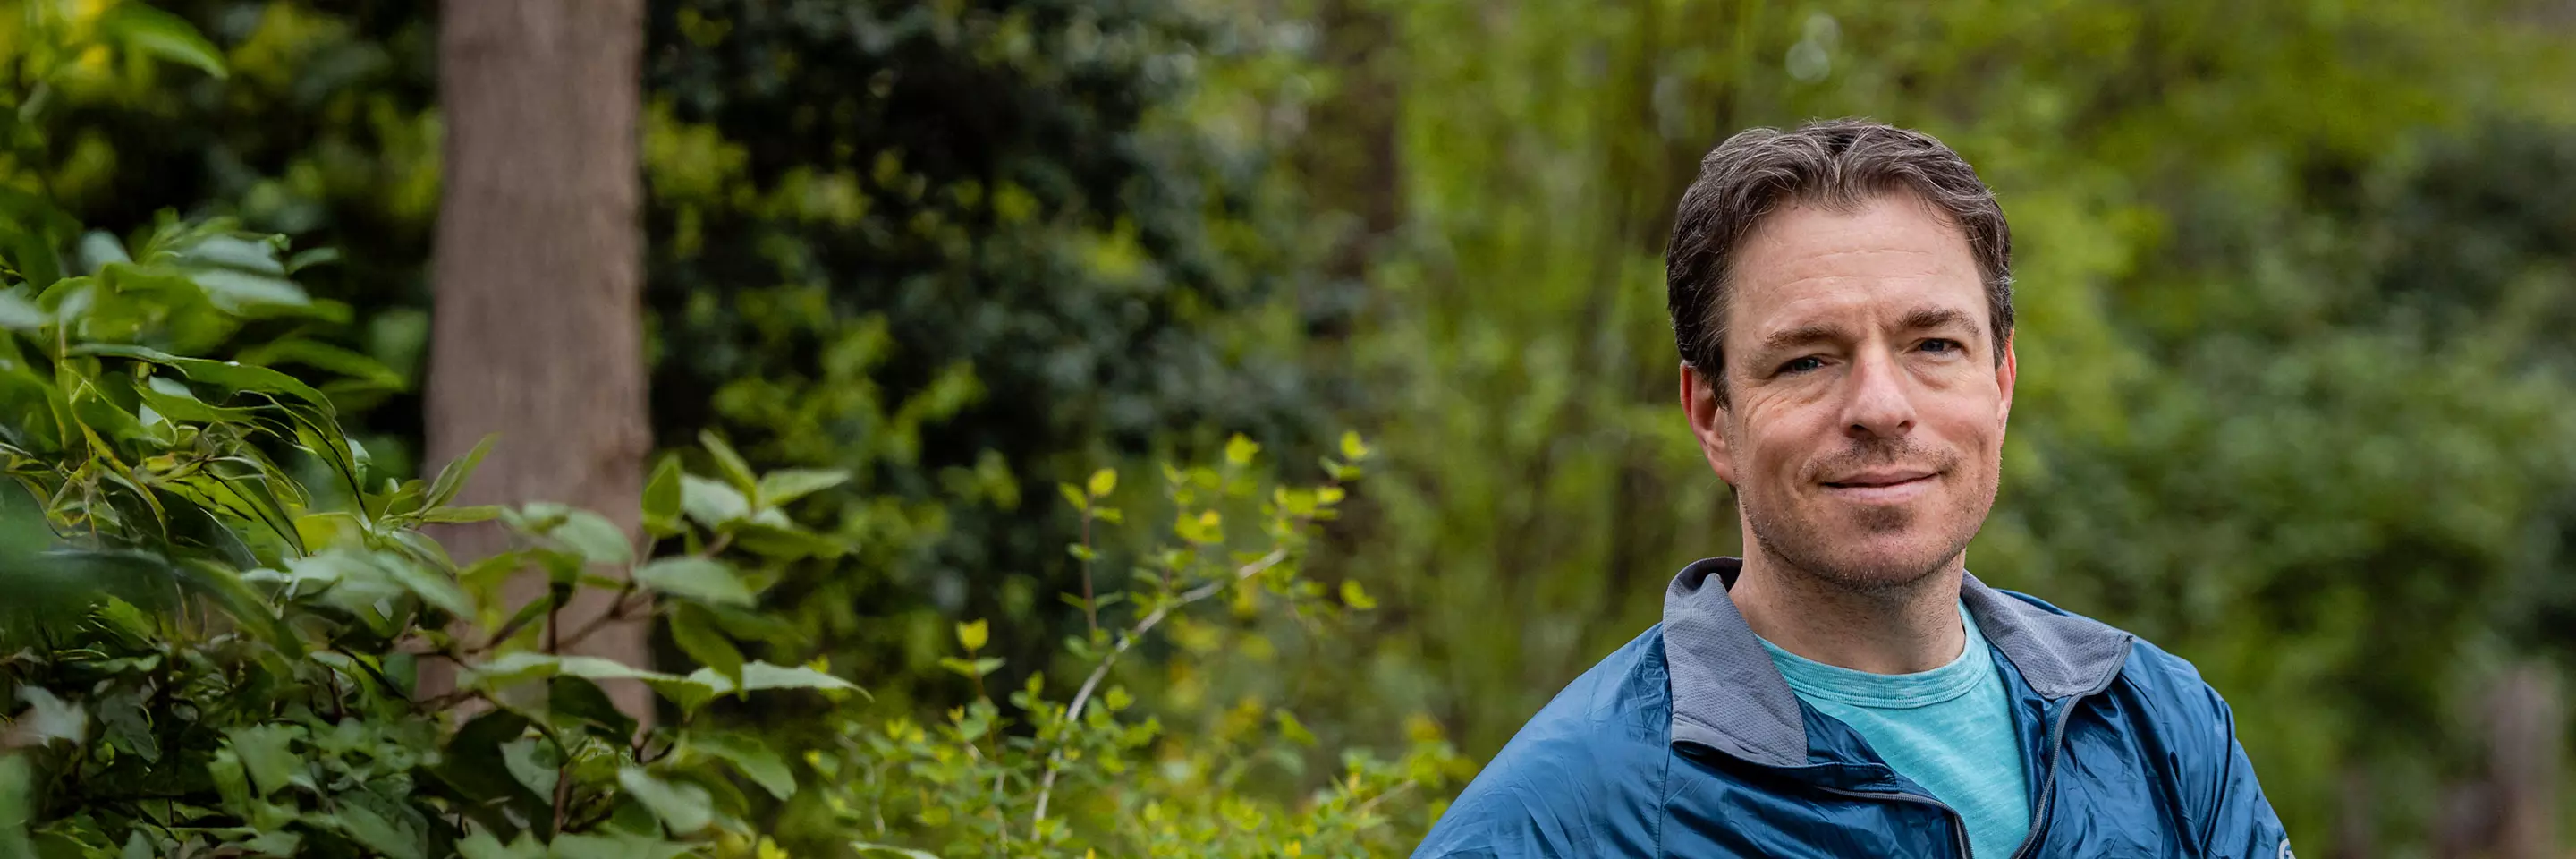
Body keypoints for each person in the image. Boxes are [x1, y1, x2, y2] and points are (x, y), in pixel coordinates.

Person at [1410, 120, 2291, 858]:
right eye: (1807, 359)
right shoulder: (1570, 814)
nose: (1880, 407)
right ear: (1714, 413)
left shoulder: (2162, 732)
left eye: (1933, 345)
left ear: (2001, 381)